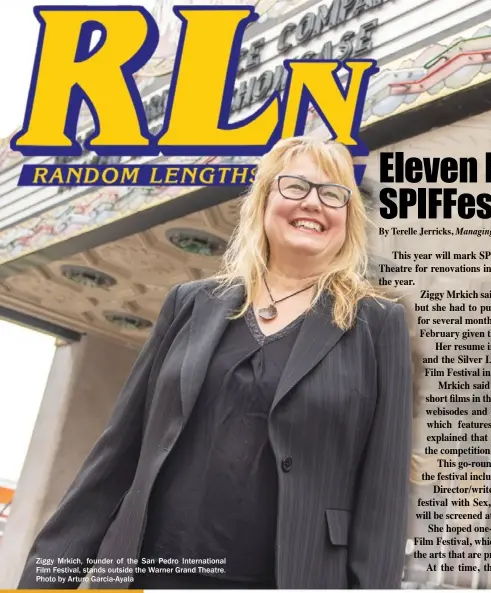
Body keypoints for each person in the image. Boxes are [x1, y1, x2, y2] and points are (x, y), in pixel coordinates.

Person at [17, 137, 414, 590]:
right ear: (263, 201)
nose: (314, 202)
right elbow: (116, 457)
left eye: (332, 193)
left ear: (349, 217)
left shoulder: (377, 324)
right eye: (296, 186)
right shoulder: (190, 304)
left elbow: (382, 501)